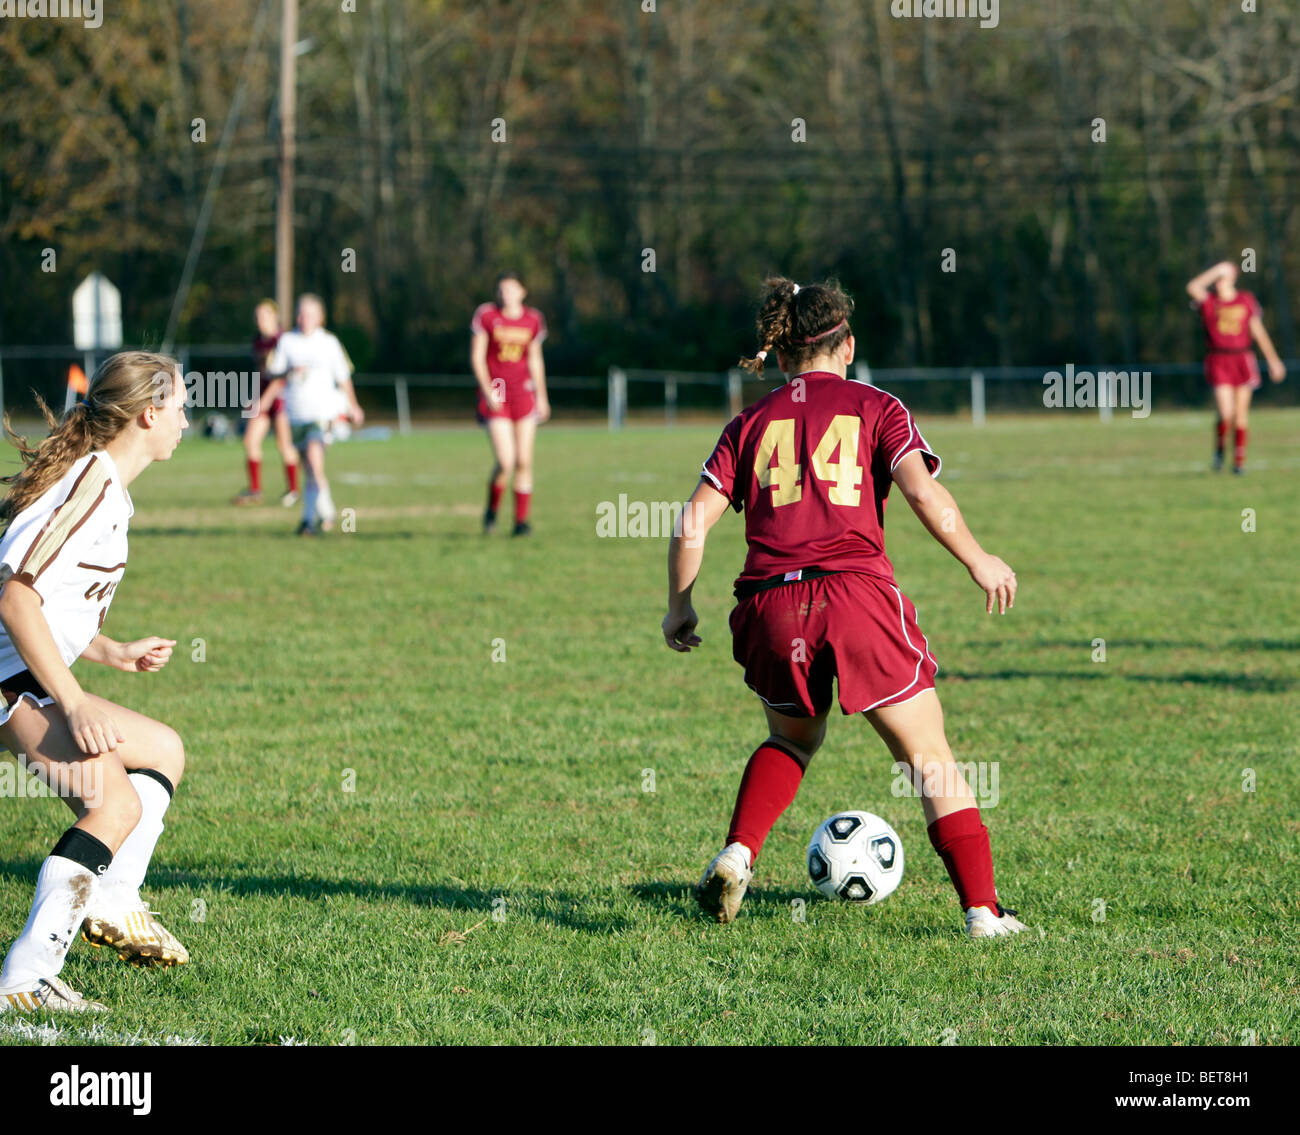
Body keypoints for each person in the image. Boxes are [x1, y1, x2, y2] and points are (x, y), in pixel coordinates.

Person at [663, 277, 1026, 938]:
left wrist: (679, 605)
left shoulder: (749, 423)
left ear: (779, 357)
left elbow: (692, 520)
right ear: (847, 344)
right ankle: (982, 911)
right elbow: (924, 496)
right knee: (929, 757)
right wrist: (978, 557)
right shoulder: (877, 406)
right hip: (855, 597)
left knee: (790, 738)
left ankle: (737, 852)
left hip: (772, 606)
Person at [0, 351, 191, 1013]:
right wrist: (75, 702)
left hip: (24, 670)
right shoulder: (91, 482)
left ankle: (111, 898)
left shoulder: (108, 486)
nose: (186, 422)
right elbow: (17, 600)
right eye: (180, 408)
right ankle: (26, 975)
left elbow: (54, 603)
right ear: (147, 413)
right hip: (7, 680)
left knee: (163, 748)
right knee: (113, 805)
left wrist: (112, 651)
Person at [259, 294, 364, 535]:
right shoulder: (287, 341)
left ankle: (322, 515)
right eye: (301, 313)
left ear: (320, 318)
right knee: (309, 468)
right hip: (296, 414)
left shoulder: (329, 343)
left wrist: (354, 406)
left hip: (321, 414)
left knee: (315, 464)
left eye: (309, 314)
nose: (303, 318)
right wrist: (288, 370)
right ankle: (310, 520)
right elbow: (273, 373)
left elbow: (343, 377)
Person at [1185, 260, 1285, 473]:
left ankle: (1239, 463)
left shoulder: (1245, 300)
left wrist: (1273, 360)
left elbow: (1258, 332)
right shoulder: (1210, 302)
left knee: (1241, 415)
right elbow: (1193, 287)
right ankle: (1220, 450)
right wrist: (1216, 270)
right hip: (1219, 360)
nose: (1218, 283)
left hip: (1242, 359)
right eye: (1217, 279)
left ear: (1232, 279)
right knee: (1226, 413)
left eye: (1223, 278)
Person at [471, 272, 550, 536]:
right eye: (501, 290)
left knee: (524, 461)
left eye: (510, 289)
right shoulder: (487, 315)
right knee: (506, 461)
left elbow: (535, 359)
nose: (505, 294)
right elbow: (478, 356)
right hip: (497, 391)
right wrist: (487, 390)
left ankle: (521, 522)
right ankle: (492, 510)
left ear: (522, 292)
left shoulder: (533, 319)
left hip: (523, 393)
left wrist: (542, 395)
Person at [234, 299, 300, 507]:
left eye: (264, 315)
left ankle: (293, 490)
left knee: (284, 445)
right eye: (257, 316)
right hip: (262, 398)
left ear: (275, 316)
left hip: (281, 399)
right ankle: (255, 490)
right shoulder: (258, 341)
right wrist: (255, 398)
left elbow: (282, 377)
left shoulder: (284, 340)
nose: (260, 320)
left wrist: (265, 400)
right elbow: (261, 374)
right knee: (250, 441)